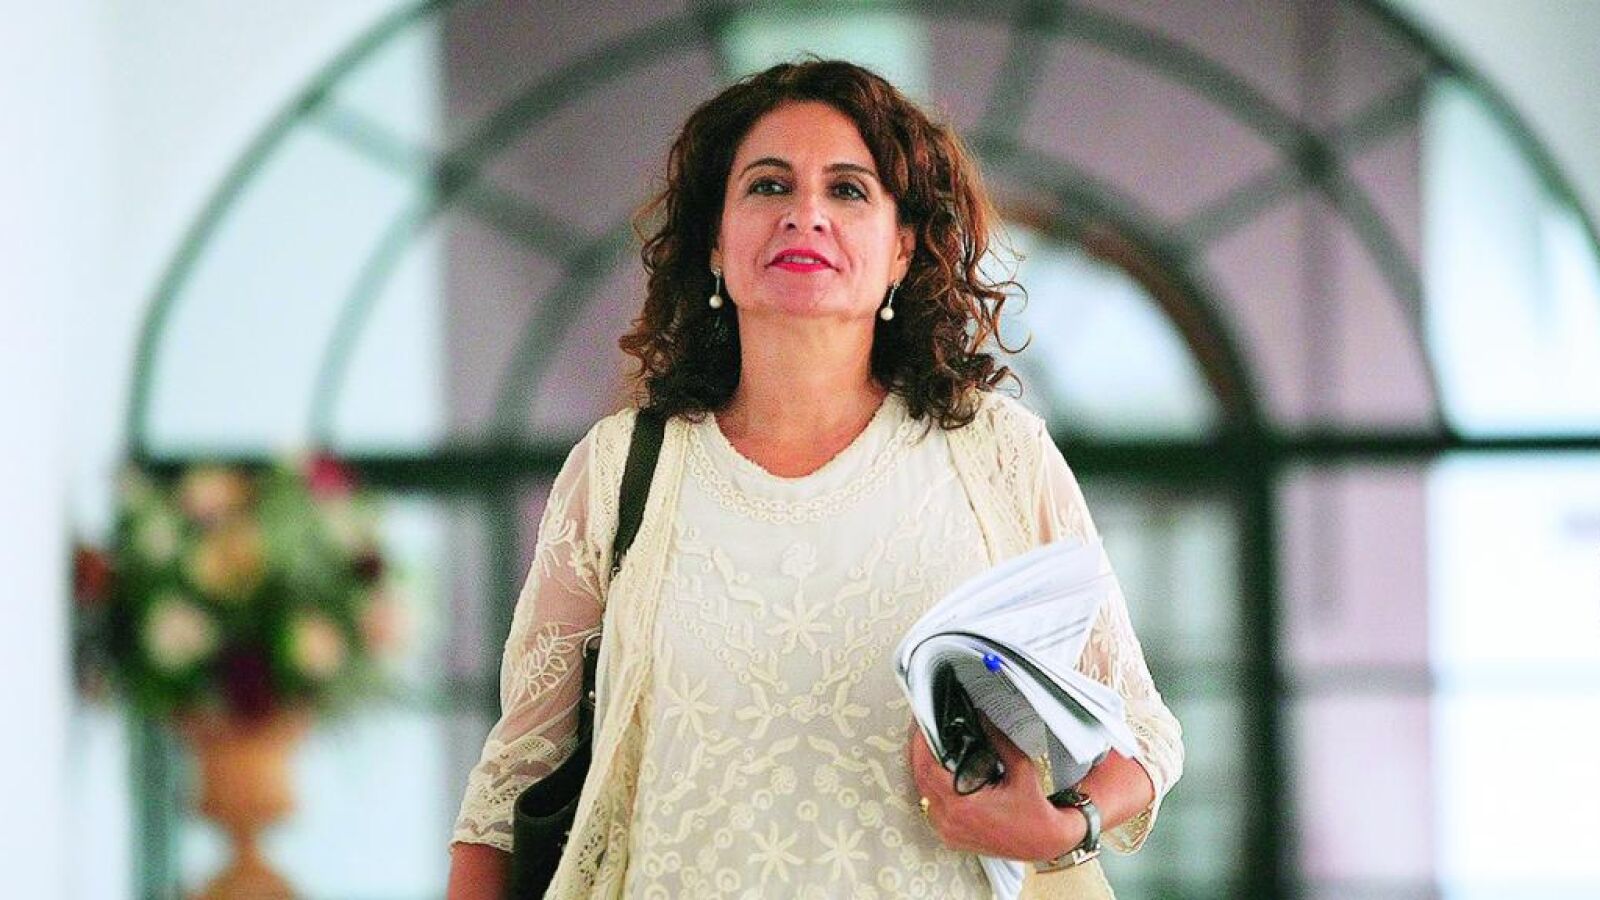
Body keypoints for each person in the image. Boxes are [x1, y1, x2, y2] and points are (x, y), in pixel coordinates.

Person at [447, 60, 1182, 900]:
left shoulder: (997, 455)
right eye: (768, 186)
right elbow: (508, 785)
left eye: (848, 190)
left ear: (903, 247)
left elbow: (1143, 731)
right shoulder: (620, 469)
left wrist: (1062, 825)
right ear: (715, 241)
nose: (805, 213)